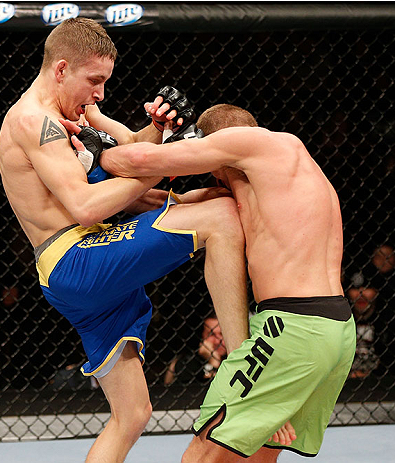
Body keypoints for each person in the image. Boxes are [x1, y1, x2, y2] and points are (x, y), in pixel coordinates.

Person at [0, 18, 250, 462]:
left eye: (104, 83)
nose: (98, 94)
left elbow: (130, 152)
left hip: (88, 265)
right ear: (60, 69)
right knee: (223, 216)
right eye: (93, 81)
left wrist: (159, 128)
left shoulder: (78, 112)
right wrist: (166, 163)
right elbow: (86, 206)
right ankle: (243, 366)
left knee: (132, 414)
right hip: (77, 260)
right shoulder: (31, 121)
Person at [91, 103, 357, 462]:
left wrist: (96, 152)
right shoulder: (276, 180)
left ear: (214, 143)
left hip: (290, 328)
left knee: (203, 454)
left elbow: (137, 160)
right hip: (334, 330)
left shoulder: (257, 143)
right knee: (257, 454)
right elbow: (163, 204)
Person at [165, 313, 227, 386]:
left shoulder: (240, 359)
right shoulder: (188, 363)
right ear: (203, 336)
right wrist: (213, 362)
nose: (217, 341)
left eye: (222, 334)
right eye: (211, 334)